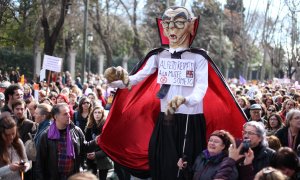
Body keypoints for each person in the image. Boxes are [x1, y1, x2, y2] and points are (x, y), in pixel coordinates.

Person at [99, 6, 247, 179]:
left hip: (190, 119)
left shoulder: (198, 57)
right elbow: (134, 80)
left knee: (186, 166)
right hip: (166, 118)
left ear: (191, 26)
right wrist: (115, 78)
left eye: (178, 23)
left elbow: (201, 87)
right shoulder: (159, 55)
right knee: (163, 162)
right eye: (167, 24)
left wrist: (186, 100)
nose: (171, 29)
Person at [35, 103, 98, 180]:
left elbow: (84, 147)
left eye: (68, 113)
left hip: (73, 175)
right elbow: (40, 162)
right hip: (54, 177)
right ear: (56, 117)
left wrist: (96, 141)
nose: (69, 115)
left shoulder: (76, 130)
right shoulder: (46, 135)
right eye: (65, 114)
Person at [85, 106, 113, 180]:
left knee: (102, 178)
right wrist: (88, 153)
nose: (97, 114)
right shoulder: (89, 126)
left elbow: (109, 146)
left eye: (99, 112)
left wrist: (97, 154)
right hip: (91, 156)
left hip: (103, 157)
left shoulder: (106, 127)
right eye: (95, 112)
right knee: (91, 177)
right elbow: (86, 142)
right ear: (92, 114)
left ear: (103, 114)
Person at [0, 113, 30, 180]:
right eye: (7, 135)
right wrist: (9, 168)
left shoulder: (18, 142)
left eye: (13, 133)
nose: (11, 137)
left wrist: (25, 167)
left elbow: (26, 161)